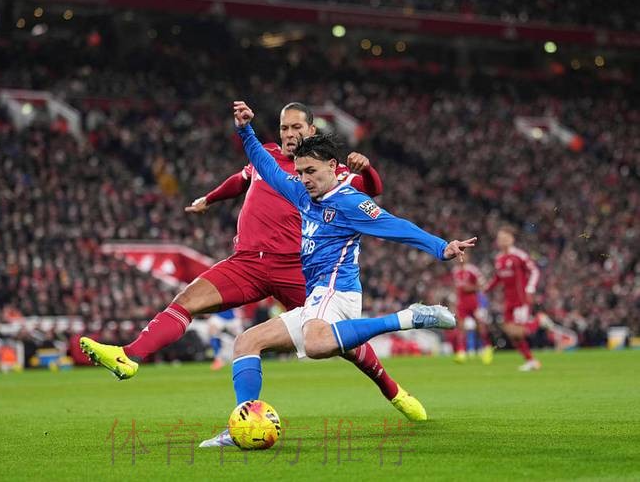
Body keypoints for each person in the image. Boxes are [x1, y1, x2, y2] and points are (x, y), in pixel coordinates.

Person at [81, 102, 425, 421]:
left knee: (336, 342)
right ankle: (130, 356)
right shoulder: (268, 155)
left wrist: (369, 169)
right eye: (284, 127)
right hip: (247, 263)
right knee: (187, 300)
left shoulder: (324, 171)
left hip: (296, 268)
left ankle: (393, 391)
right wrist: (209, 199)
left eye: (296, 127)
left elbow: (370, 189)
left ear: (311, 131)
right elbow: (240, 180)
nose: (289, 134)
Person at [199, 101, 476, 447]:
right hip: (317, 296)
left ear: (332, 167)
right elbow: (266, 165)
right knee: (246, 342)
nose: (305, 179)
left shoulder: (349, 202)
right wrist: (245, 130)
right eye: (301, 172)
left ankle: (409, 317)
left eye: (312, 172)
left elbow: (395, 226)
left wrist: (441, 247)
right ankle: (243, 422)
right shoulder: (301, 192)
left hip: (338, 291)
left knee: (316, 344)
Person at [485, 226, 542, 371]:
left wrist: (530, 289)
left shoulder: (519, 256)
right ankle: (531, 361)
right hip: (508, 300)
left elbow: (534, 271)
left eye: (505, 238)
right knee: (511, 333)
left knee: (519, 332)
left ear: (512, 239)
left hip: (521, 299)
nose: (502, 241)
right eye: (500, 238)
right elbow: (498, 277)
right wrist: (487, 288)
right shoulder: (499, 258)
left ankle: (539, 320)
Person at [451, 256, 493, 364]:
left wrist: (471, 288)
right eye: (458, 256)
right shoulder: (455, 271)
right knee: (461, 327)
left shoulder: (472, 270)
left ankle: (487, 348)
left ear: (467, 257)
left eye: (462, 256)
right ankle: (461, 352)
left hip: (473, 302)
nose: (460, 258)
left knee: (480, 326)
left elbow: (483, 285)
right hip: (461, 303)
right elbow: (456, 288)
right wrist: (455, 301)